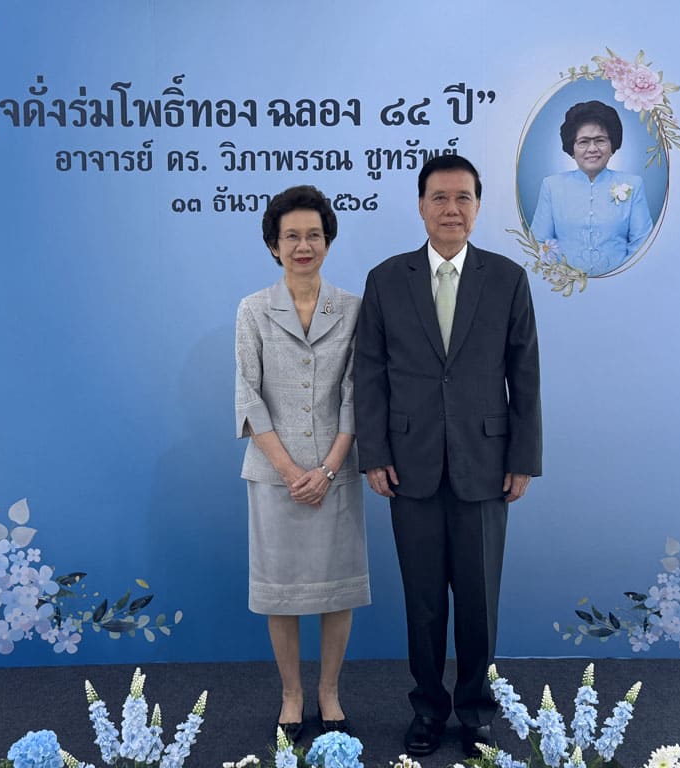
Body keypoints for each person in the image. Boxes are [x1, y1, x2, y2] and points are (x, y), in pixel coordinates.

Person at [354, 155, 542, 758]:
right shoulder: (386, 279)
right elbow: (369, 374)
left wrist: (523, 458)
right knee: (424, 602)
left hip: (486, 465)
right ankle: (428, 709)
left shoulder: (507, 278)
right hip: (408, 466)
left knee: (479, 603)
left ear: (478, 207)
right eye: (439, 197)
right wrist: (373, 453)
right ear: (420, 205)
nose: (451, 209)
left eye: (463, 198)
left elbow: (524, 375)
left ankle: (477, 710)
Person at [235, 185, 369, 743]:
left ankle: (328, 692)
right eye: (291, 236)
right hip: (275, 477)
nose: (303, 245)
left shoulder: (354, 309)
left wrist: (329, 468)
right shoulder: (253, 309)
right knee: (282, 591)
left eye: (314, 234)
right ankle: (292, 694)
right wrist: (292, 472)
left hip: (335, 472)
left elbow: (357, 394)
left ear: (328, 241)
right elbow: (248, 397)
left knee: (336, 590)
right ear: (274, 245)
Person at [530, 99, 654, 275]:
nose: (592, 148)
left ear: (612, 145)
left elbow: (642, 245)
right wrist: (564, 280)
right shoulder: (551, 186)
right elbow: (540, 241)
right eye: (583, 142)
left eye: (600, 140)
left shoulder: (633, 184)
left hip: (621, 284)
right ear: (572, 148)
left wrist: (620, 278)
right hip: (565, 286)